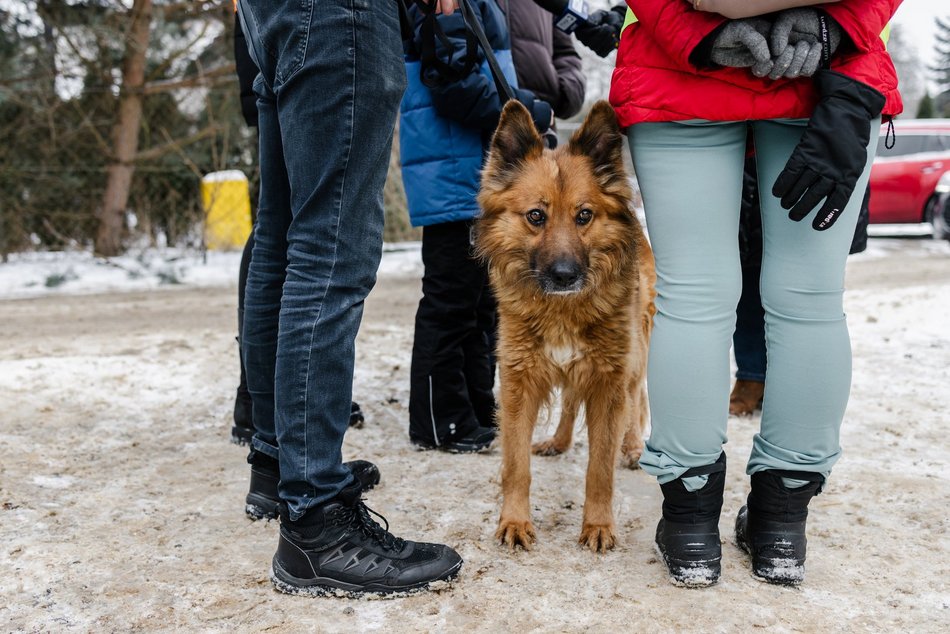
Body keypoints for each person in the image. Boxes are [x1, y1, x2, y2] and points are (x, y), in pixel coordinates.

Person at [610, 0, 901, 586]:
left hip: (680, 74)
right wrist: (835, 27)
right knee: (811, 302)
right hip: (828, 76)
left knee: (691, 298)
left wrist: (697, 34)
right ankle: (781, 523)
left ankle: (692, 526)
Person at [234, 0, 464, 596]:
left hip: (271, 14)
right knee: (330, 248)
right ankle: (316, 523)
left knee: (284, 238)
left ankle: (279, 464)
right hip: (340, 12)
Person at [402, 0, 586, 453]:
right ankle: (438, 419)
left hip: (483, 168)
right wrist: (529, 113)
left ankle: (478, 412)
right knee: (450, 298)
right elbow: (450, 79)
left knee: (483, 301)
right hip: (452, 166)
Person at [729, 157, 872, 417]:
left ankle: (797, 387)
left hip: (825, 154)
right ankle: (753, 377)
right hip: (754, 174)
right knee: (749, 292)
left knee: (806, 299)